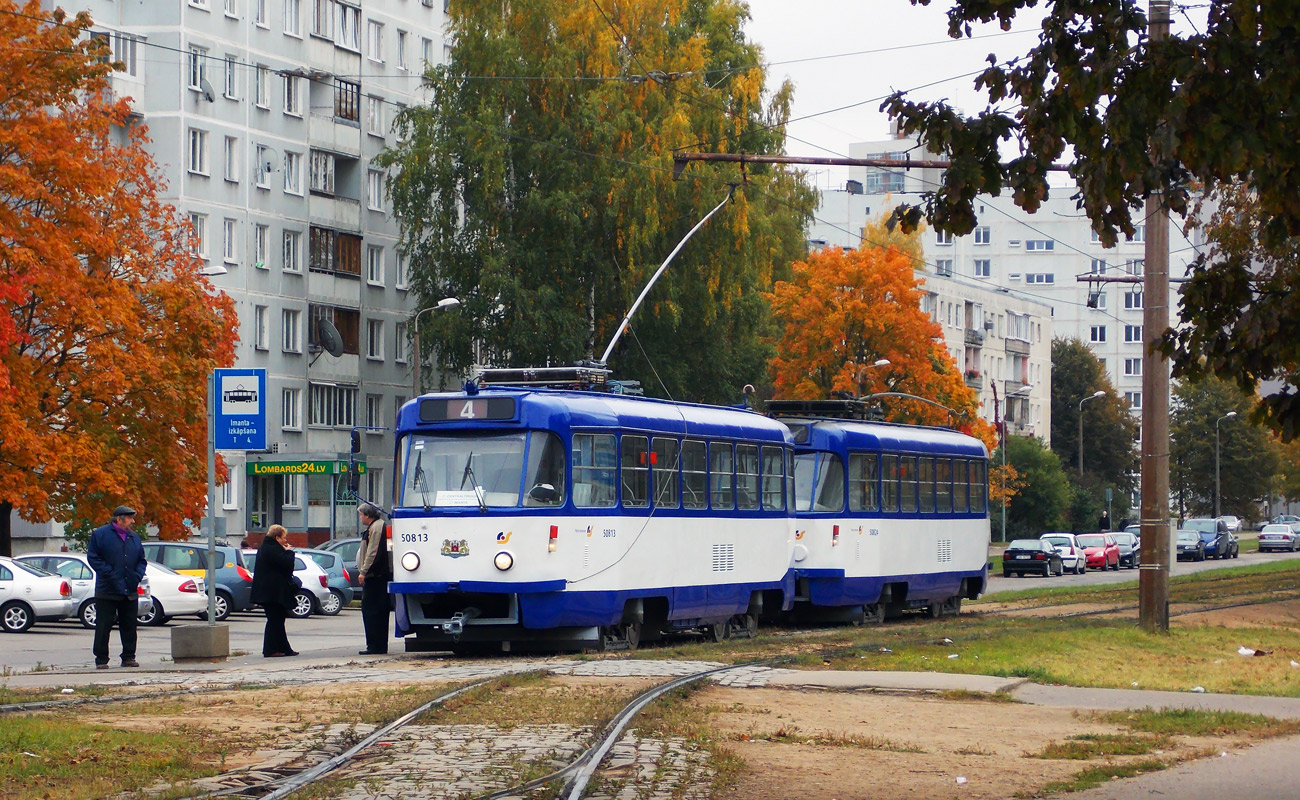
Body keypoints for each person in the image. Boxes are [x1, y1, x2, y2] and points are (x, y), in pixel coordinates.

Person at [87, 505, 148, 669]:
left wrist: (136, 576)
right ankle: (101, 659)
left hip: (130, 590)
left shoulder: (133, 537)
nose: (132, 522)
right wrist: (110, 574)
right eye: (130, 518)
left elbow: (141, 560)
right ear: (119, 519)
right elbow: (94, 558)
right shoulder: (100, 535)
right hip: (107, 590)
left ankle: (128, 657)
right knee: (103, 626)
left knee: (129, 626)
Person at [250, 525, 298, 657]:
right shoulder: (272, 549)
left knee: (277, 619)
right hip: (272, 593)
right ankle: (270, 649)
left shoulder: (267, 547)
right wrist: (289, 552)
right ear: (277, 538)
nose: (285, 540)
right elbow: (286, 564)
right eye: (284, 537)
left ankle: (283, 648)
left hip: (269, 592)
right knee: (275, 620)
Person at [356, 503, 390, 655]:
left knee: (372, 612)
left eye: (361, 514)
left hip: (375, 577)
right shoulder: (376, 526)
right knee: (378, 612)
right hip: (377, 576)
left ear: (367, 515)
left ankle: (375, 646)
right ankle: (378, 645)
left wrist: (363, 571)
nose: (360, 517)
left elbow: (373, 552)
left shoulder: (376, 527)